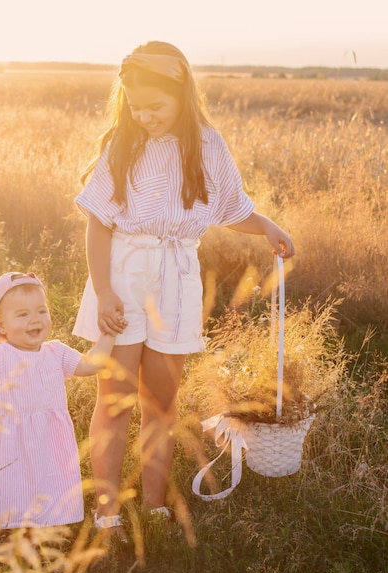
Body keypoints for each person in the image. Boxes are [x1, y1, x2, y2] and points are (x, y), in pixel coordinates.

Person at [72, 41, 295, 539]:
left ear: (182, 94)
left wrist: (268, 226)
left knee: (161, 403)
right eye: (134, 104)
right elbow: (98, 223)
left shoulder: (208, 144)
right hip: (125, 276)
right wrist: (105, 291)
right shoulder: (122, 145)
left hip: (176, 279)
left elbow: (233, 209)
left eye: (155, 105)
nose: (144, 114)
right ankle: (106, 512)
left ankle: (153, 506)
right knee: (116, 399)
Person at [0, 271, 119, 536]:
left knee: (49, 478)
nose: (35, 319)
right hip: (9, 442)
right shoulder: (0, 355)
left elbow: (89, 365)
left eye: (41, 311)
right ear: (0, 325)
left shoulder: (55, 352)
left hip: (49, 439)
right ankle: (6, 529)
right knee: (10, 484)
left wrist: (108, 336)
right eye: (22, 314)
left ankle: (48, 525)